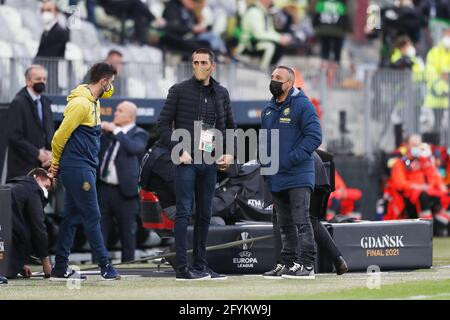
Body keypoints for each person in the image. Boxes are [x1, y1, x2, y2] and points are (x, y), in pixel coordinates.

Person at [158, 48, 235, 280]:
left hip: (209, 160)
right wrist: (178, 150)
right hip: (186, 160)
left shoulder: (221, 92)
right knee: (183, 212)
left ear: (212, 65)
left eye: (203, 62)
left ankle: (201, 266)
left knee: (205, 214)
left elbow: (230, 127)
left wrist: (229, 153)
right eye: (195, 62)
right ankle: (182, 268)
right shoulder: (179, 90)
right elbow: (161, 125)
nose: (198, 66)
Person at [48, 62, 120, 281]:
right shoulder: (81, 104)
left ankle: (60, 268)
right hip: (77, 167)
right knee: (92, 214)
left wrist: (107, 80)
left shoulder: (93, 99)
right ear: (103, 81)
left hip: (83, 166)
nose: (112, 88)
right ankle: (105, 266)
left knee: (71, 217)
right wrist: (54, 164)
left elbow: (108, 91)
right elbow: (59, 136)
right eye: (111, 83)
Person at [261, 66, 322, 279]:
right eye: (272, 77)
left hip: (298, 174)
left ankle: (307, 265)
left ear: (289, 83)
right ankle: (288, 263)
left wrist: (291, 158)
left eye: (279, 78)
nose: (274, 81)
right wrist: (266, 168)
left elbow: (315, 136)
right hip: (276, 176)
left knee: (301, 220)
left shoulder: (303, 105)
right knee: (284, 224)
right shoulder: (268, 109)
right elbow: (265, 142)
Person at [264, 150, 348, 279]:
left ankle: (285, 264)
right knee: (311, 220)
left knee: (280, 216)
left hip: (304, 175)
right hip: (320, 173)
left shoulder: (272, 146)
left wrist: (272, 199)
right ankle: (337, 259)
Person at [98, 101, 149, 262]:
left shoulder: (139, 133)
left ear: (130, 116)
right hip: (104, 188)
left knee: (127, 232)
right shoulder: (108, 133)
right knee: (100, 230)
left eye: (120, 111)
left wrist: (117, 131)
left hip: (125, 191)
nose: (115, 113)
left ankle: (128, 265)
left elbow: (133, 148)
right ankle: (99, 263)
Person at [6, 65, 54, 180]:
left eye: (44, 79)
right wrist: (37, 153)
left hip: (43, 169)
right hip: (23, 169)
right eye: (38, 79)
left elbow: (49, 130)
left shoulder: (45, 102)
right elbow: (14, 136)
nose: (42, 82)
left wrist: (50, 153)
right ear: (28, 81)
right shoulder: (18, 103)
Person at [4, 168, 53, 279]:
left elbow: (11, 226)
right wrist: (45, 261)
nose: (46, 192)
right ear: (37, 178)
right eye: (46, 187)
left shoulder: (11, 187)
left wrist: (19, 264)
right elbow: (38, 228)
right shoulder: (33, 189)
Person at [390, 134, 450, 224]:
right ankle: (426, 227)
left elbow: (433, 175)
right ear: (406, 145)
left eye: (418, 145)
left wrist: (440, 185)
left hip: (427, 190)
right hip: (409, 196)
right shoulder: (400, 163)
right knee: (423, 196)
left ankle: (443, 224)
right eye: (414, 145)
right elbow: (400, 184)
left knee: (445, 194)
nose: (417, 148)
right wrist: (418, 186)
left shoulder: (424, 160)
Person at [237, 0, 292, 70]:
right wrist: (279, 38)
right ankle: (262, 70)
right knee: (270, 46)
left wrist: (282, 37)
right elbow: (258, 34)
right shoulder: (254, 11)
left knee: (281, 44)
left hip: (257, 41)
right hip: (248, 45)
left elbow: (270, 30)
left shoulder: (264, 11)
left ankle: (271, 68)